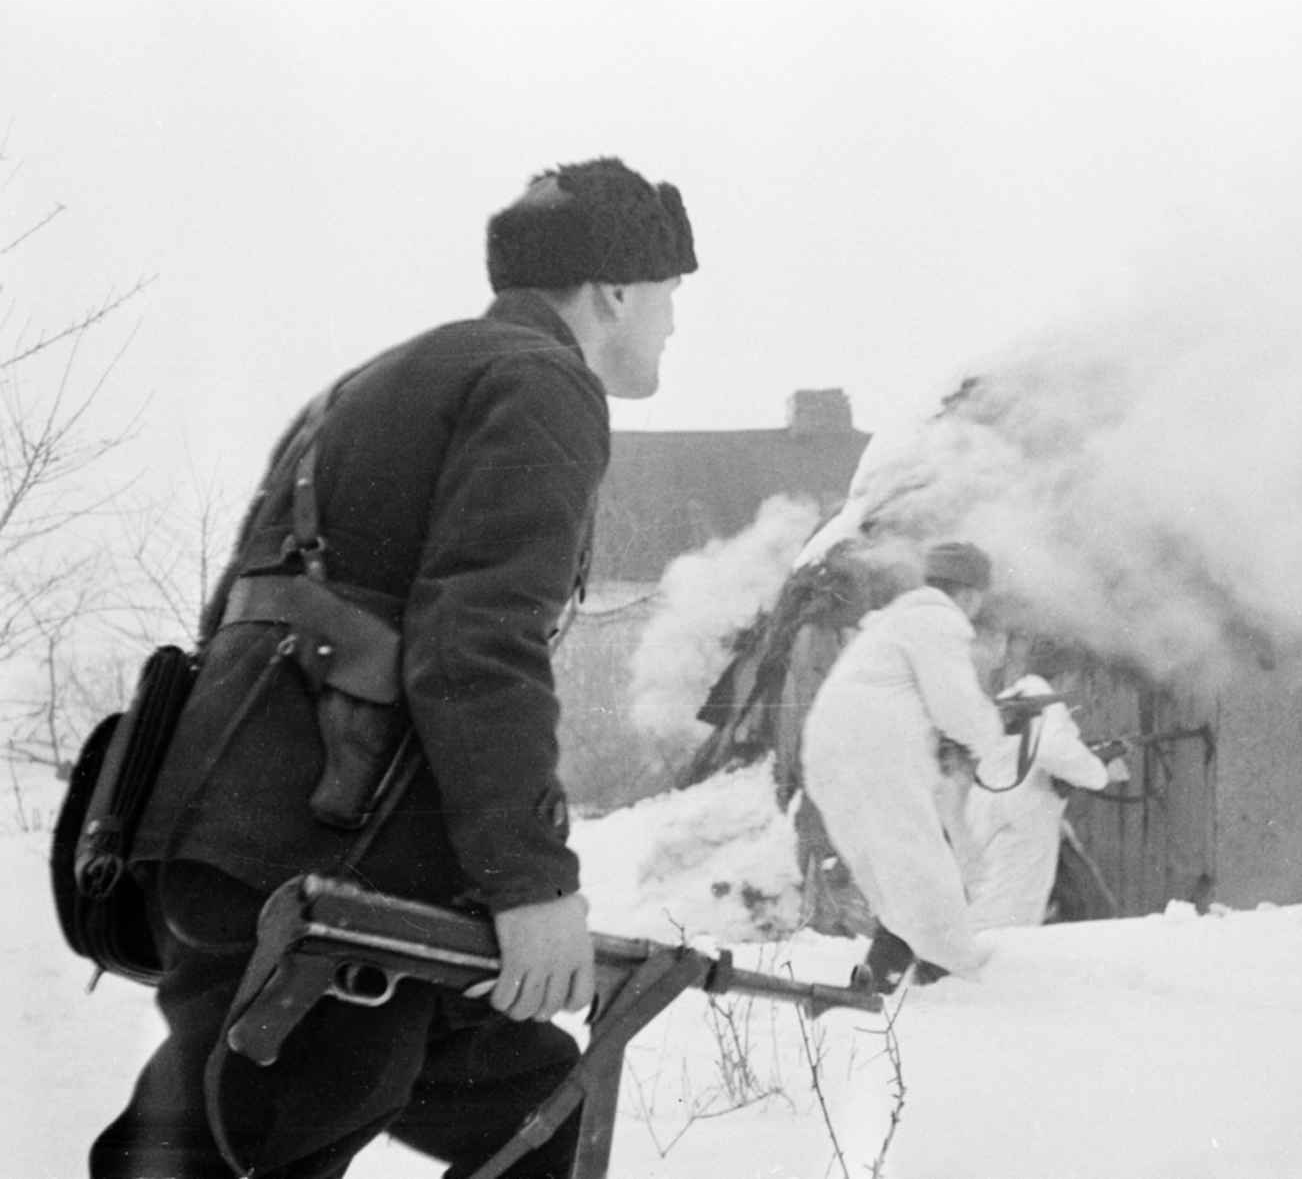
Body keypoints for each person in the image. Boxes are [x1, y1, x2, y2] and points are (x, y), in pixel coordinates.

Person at [90, 156, 697, 1179]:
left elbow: (246, 619)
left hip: (252, 843)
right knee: (233, 1148)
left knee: (534, 1115)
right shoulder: (541, 382)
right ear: (616, 290)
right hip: (322, 869)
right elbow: (478, 639)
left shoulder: (370, 386)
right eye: (672, 296)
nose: (675, 324)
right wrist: (530, 884)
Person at [800, 541, 1008, 991]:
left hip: (830, 753)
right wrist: (989, 734)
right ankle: (949, 974)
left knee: (900, 876)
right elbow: (957, 708)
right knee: (921, 870)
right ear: (969, 593)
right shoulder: (938, 620)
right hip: (874, 756)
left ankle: (889, 978)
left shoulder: (894, 624)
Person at [960, 674, 1127, 931]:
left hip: (993, 809)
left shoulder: (1010, 707)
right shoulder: (1041, 696)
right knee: (1011, 916)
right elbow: (1053, 749)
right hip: (1025, 817)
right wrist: (1101, 774)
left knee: (992, 900)